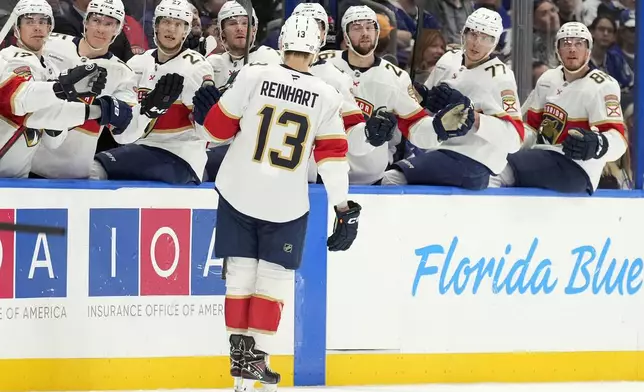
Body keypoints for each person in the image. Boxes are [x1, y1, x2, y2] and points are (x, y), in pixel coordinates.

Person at [191, 14, 362, 392]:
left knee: (239, 279)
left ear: (281, 41)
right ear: (316, 48)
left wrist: (208, 111)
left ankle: (239, 376)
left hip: (238, 189)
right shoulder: (328, 94)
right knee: (272, 282)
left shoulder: (253, 74)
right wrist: (343, 208)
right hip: (285, 201)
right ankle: (260, 362)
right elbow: (333, 160)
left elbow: (215, 131)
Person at [316, 5, 475, 185]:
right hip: (322, 175)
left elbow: (414, 124)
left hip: (370, 180)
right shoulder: (322, 64)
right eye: (357, 28)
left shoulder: (396, 77)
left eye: (370, 27)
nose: (364, 33)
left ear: (378, 34)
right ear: (345, 35)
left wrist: (438, 128)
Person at [382, 7, 524, 190]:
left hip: (472, 162)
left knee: (393, 179)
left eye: (486, 38)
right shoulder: (449, 59)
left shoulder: (501, 77)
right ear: (463, 33)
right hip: (438, 151)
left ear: (495, 42)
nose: (477, 43)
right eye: (473, 34)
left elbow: (515, 139)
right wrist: (423, 97)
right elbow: (428, 106)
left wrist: (471, 115)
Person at [491, 22, 627, 194]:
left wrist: (597, 144)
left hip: (577, 169)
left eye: (579, 43)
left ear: (588, 50)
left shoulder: (603, 85)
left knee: (499, 168)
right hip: (542, 157)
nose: (572, 49)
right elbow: (531, 129)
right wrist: (505, 139)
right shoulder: (548, 79)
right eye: (566, 43)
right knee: (491, 158)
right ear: (557, 49)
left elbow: (619, 141)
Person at [89, 0, 214, 185]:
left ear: (185, 31)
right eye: (166, 22)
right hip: (140, 149)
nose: (171, 29)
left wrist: (205, 117)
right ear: (156, 25)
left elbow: (206, 130)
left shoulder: (196, 67)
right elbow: (123, 129)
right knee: (92, 166)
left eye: (178, 24)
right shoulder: (137, 63)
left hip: (179, 156)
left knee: (96, 168)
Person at [0, 0, 111, 178]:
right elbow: (20, 101)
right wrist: (64, 91)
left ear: (50, 28)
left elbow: (52, 141)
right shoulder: (8, 59)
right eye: (29, 21)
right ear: (16, 29)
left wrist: (70, 100)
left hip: (18, 180)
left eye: (43, 21)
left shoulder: (50, 69)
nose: (37, 27)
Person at [32, 0, 135, 179]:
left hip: (74, 174)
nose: (100, 29)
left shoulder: (123, 73)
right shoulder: (50, 44)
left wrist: (109, 109)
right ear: (85, 22)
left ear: (117, 29)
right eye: (96, 20)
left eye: (108, 23)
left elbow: (125, 131)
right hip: (30, 164)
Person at [288, 3, 369, 184]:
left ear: (325, 33)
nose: (310, 30)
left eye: (318, 25)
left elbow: (352, 128)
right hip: (259, 170)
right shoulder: (266, 64)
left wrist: (370, 133)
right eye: (304, 23)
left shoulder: (336, 78)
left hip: (304, 178)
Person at [206, 0, 281, 89]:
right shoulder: (212, 63)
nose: (239, 28)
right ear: (222, 31)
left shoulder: (269, 57)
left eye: (245, 23)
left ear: (254, 30)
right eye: (232, 23)